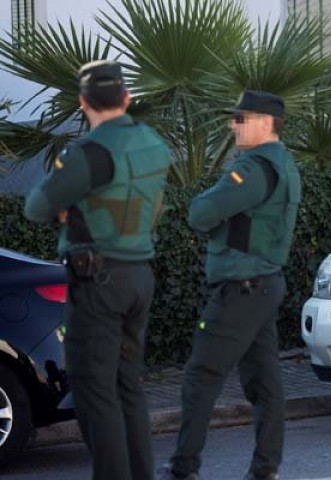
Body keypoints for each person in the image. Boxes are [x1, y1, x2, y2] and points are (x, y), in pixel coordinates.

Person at [24, 60, 171, 480]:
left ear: (83, 101)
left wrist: (70, 207)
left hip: (98, 283)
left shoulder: (88, 152)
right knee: (128, 387)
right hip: (139, 275)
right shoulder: (154, 145)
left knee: (93, 393)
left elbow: (37, 205)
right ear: (126, 98)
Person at [158, 90, 302, 480]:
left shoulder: (254, 169)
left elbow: (200, 212)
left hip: (241, 287)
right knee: (265, 383)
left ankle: (183, 468)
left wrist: (213, 212)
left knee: (201, 375)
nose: (233, 125)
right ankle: (265, 470)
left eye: (241, 118)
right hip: (264, 284)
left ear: (264, 122)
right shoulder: (284, 163)